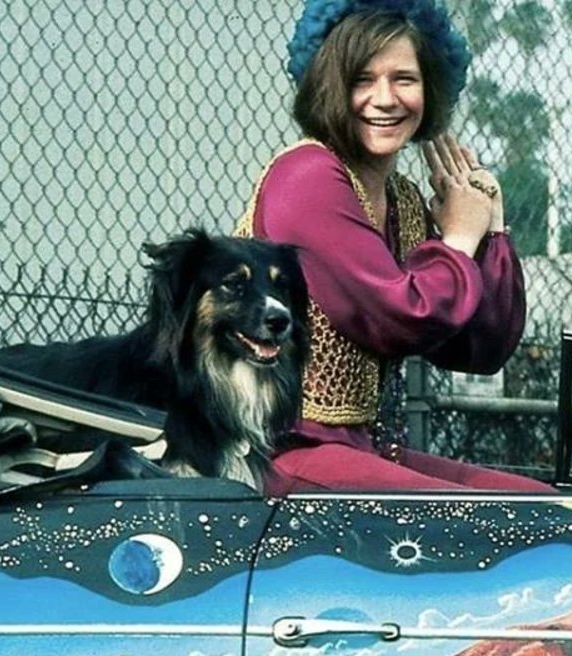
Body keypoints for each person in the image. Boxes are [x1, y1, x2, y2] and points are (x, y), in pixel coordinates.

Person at [236, 0, 552, 494]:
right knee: (495, 520)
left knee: (536, 502)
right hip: (278, 450)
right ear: (330, 85)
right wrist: (459, 238)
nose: (385, 99)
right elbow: (400, 315)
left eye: (404, 79)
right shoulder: (306, 177)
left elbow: (480, 349)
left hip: (361, 448)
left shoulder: (403, 201)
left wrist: (490, 224)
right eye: (363, 79)